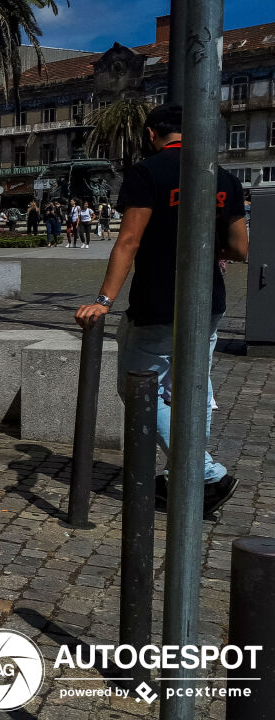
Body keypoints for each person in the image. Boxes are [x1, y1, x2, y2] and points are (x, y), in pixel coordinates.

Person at [74, 104, 248, 518]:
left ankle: (203, 473)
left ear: (152, 133)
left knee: (138, 391)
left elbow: (129, 241)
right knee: (193, 388)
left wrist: (103, 301)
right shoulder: (223, 177)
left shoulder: (148, 172)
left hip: (157, 301)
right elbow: (240, 248)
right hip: (208, 302)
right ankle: (181, 479)